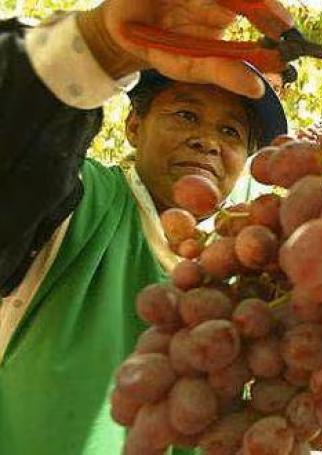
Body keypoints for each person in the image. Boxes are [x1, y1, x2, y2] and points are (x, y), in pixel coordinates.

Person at [0, 1, 288, 453]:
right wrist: (96, 47)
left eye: (231, 133)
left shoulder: (254, 273)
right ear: (135, 126)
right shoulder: (75, 199)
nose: (207, 141)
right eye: (186, 115)